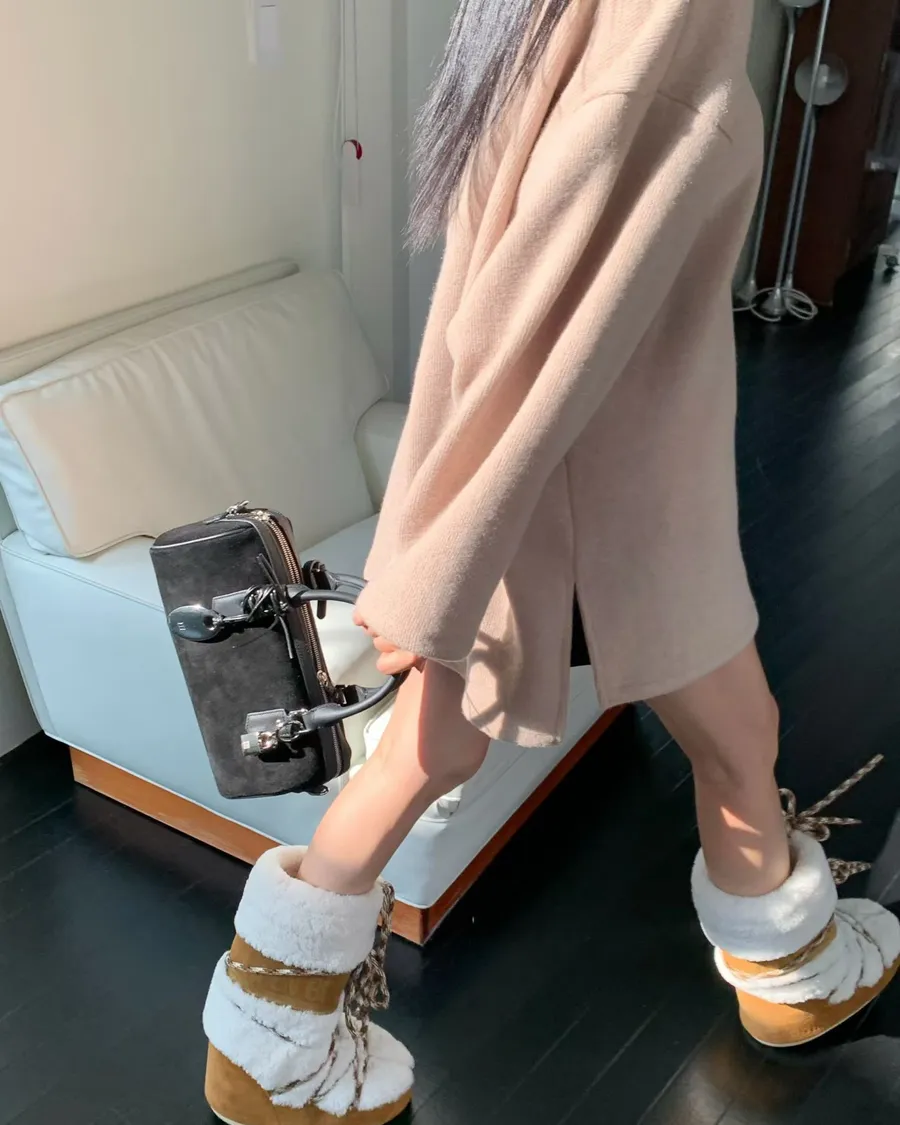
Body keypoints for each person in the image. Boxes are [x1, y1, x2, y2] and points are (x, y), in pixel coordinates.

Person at [202, 2, 900, 1122]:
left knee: (605, 739)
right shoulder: (668, 19)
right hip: (597, 491)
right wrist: (431, 567)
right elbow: (537, 322)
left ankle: (789, 968)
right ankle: (268, 1041)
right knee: (482, 746)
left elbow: (516, 300)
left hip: (605, 484)